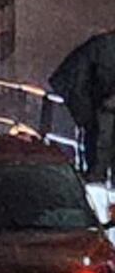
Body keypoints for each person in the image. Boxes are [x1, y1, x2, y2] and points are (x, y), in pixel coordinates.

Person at [49, 32, 115, 183]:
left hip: (98, 115)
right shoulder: (101, 47)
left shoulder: (100, 46)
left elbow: (69, 78)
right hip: (100, 116)